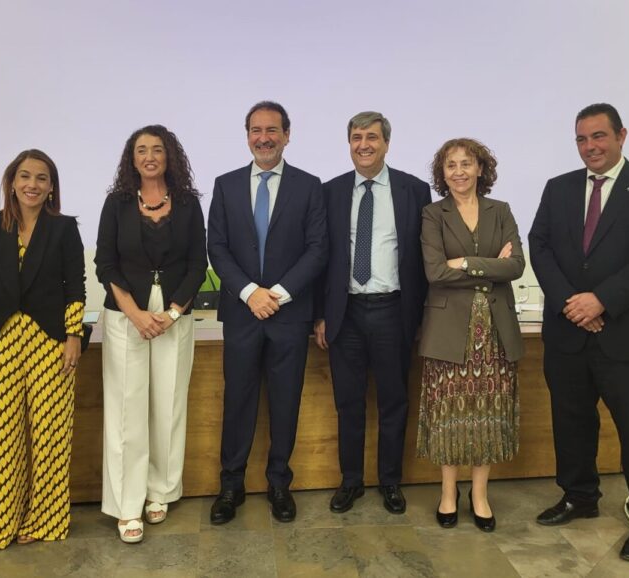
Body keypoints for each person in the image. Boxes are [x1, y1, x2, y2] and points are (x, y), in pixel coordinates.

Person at [528, 103, 629, 561]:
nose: (590, 147)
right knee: (571, 423)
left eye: (598, 136)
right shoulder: (559, 188)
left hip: (628, 335)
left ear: (621, 135)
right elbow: (540, 247)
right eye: (581, 139)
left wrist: (602, 301)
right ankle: (579, 496)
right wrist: (573, 303)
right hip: (569, 334)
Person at [207, 101, 327, 524]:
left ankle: (279, 484)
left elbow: (317, 249)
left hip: (288, 316)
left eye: (272, 130)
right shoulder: (224, 185)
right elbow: (217, 248)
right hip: (242, 315)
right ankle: (231, 486)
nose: (264, 137)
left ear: (287, 135)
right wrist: (248, 293)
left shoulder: (310, 186)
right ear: (247, 136)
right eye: (256, 130)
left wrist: (275, 293)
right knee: (237, 402)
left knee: (284, 403)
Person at [0, 149, 86, 553]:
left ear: (52, 187)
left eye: (41, 178)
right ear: (11, 182)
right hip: (2, 340)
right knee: (0, 436)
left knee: (51, 435)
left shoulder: (65, 227)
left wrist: (73, 336)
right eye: (24, 176)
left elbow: (76, 284)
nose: (32, 184)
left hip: (50, 341)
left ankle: (46, 520)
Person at [314, 111, 431, 515]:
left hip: (392, 311)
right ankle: (351, 482)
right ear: (349, 143)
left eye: (372, 137)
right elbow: (321, 258)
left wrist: (420, 318)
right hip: (344, 314)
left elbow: (421, 257)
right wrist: (320, 315)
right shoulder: (329, 192)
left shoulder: (414, 190)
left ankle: (390, 482)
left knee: (394, 401)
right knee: (348, 403)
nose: (364, 144)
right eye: (356, 137)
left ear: (386, 143)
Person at [95, 125, 207, 543]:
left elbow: (199, 263)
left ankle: (160, 491)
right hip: (127, 318)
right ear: (131, 158)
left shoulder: (190, 204)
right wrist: (136, 315)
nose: (149, 156)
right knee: (127, 412)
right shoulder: (117, 203)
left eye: (157, 149)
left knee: (168, 405)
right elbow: (105, 264)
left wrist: (174, 312)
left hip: (174, 318)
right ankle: (128, 505)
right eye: (141, 150)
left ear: (169, 156)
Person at [417, 138, 524, 532]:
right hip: (448, 332)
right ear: (442, 174)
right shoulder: (432, 214)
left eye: (467, 163)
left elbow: (515, 266)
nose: (459, 171)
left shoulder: (502, 211)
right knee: (449, 415)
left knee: (488, 416)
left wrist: (463, 262)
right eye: (451, 165)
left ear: (481, 168)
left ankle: (479, 495)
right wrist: (487, 265)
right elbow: (435, 273)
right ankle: (448, 492)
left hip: (495, 334)